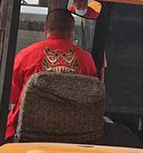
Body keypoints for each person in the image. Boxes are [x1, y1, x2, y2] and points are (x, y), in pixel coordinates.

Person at [6, 8, 98, 141]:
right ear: (72, 31)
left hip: (28, 135)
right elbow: (92, 99)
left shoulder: (25, 56)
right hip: (75, 135)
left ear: (46, 29)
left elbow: (11, 96)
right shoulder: (87, 60)